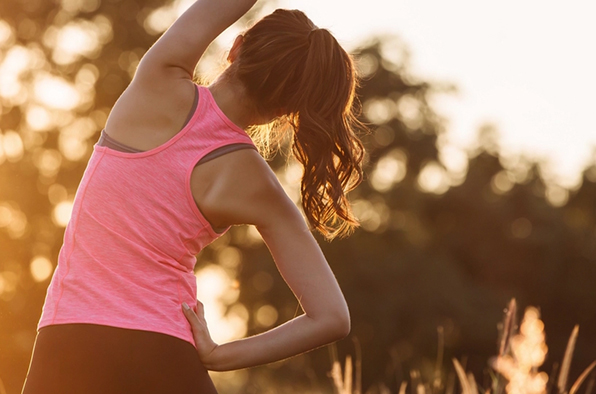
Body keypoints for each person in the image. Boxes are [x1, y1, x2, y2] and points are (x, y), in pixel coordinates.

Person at [22, 0, 366, 392]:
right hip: (165, 354)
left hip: (70, 342)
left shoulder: (158, 80)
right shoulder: (258, 185)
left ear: (236, 48)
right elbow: (331, 317)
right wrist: (222, 356)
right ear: (288, 109)